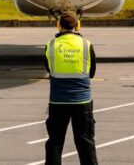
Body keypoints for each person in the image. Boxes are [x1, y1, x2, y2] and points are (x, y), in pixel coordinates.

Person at [44, 11, 98, 165]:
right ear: (77, 26)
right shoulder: (87, 45)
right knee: (85, 142)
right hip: (82, 102)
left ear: (58, 25)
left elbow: (49, 69)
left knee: (55, 142)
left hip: (58, 102)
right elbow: (91, 72)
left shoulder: (51, 45)